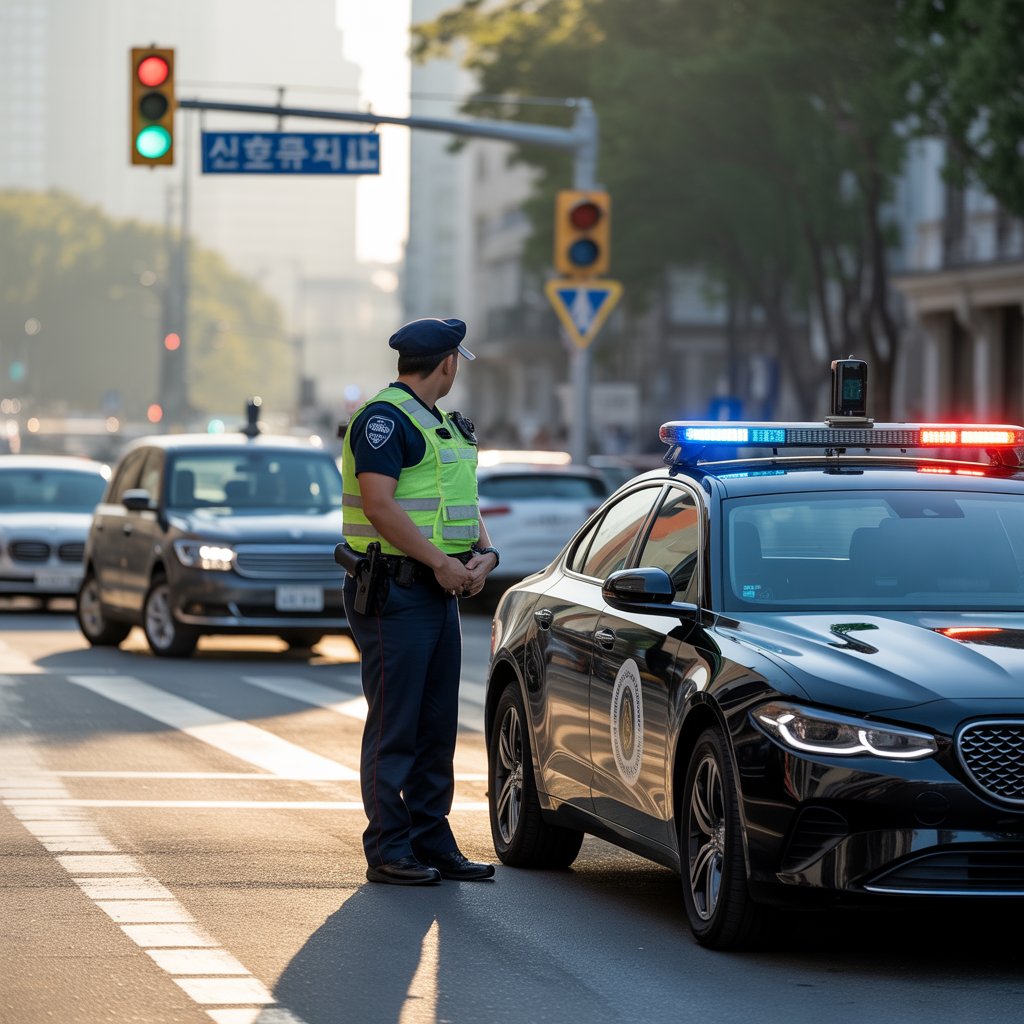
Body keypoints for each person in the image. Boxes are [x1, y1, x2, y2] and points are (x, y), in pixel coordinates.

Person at [340, 317, 500, 886]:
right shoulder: (384, 420)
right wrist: (440, 562)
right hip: (395, 590)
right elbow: (380, 507)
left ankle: (433, 840)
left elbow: (460, 503)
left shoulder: (444, 427)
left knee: (437, 724)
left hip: (438, 590)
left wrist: (484, 554)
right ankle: (388, 848)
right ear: (448, 363)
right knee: (396, 724)